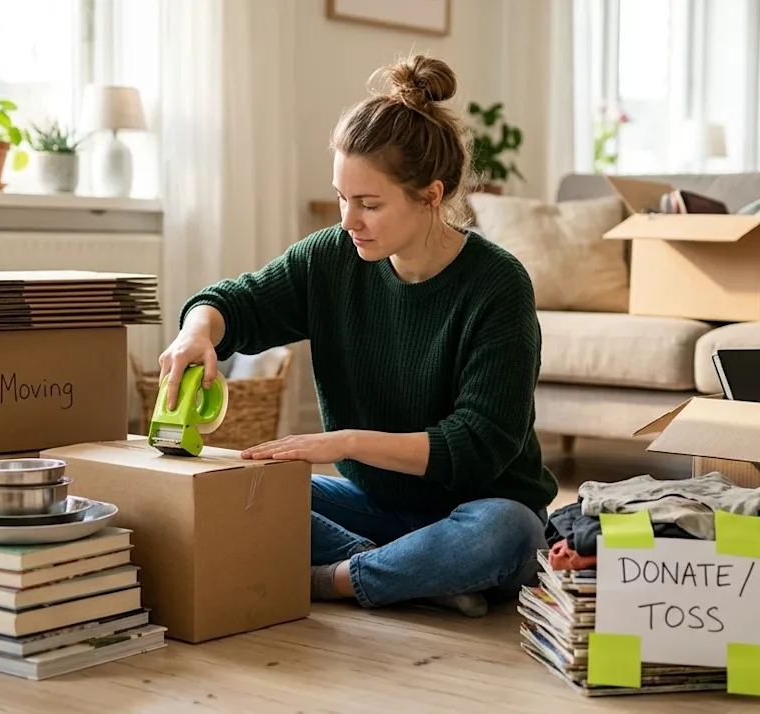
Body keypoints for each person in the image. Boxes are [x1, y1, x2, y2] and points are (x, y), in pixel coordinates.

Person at [157, 54, 557, 618]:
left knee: (509, 531)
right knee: (231, 490)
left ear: (432, 195)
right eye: (343, 198)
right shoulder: (332, 258)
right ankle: (406, 573)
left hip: (478, 508)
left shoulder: (497, 284)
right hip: (373, 505)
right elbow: (235, 303)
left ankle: (334, 579)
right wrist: (196, 332)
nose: (349, 220)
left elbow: (478, 444)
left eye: (369, 204)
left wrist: (344, 442)